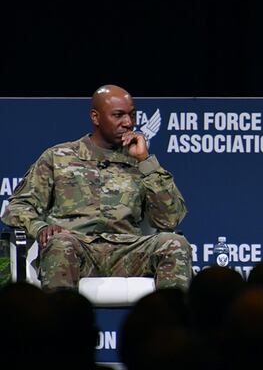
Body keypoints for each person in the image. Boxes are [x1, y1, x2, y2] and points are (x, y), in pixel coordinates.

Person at [1, 84, 192, 291]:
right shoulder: (58, 157)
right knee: (60, 244)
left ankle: (168, 322)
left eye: (132, 115)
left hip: (127, 252)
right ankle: (60, 322)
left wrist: (146, 161)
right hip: (76, 248)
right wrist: (41, 228)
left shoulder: (141, 162)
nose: (128, 123)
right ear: (96, 117)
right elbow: (18, 207)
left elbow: (170, 218)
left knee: (175, 244)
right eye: (118, 115)